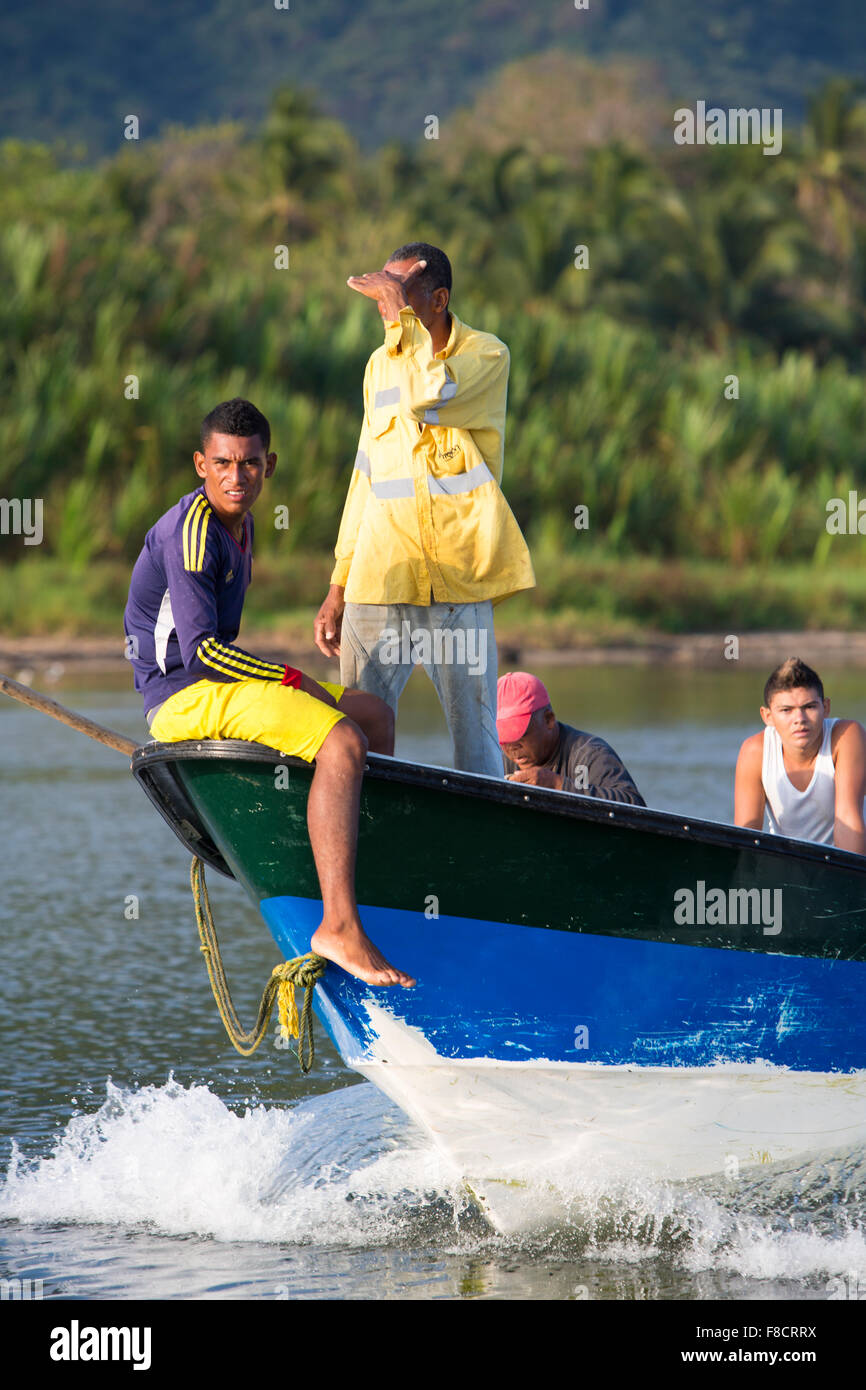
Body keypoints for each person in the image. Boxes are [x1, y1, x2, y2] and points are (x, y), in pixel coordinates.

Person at [123, 396, 415, 987]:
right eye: (224, 463)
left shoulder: (243, 524)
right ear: (200, 465)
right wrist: (293, 679)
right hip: (182, 696)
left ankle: (363, 887)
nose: (238, 477)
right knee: (343, 744)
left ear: (269, 465)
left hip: (214, 686)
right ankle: (337, 923)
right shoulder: (195, 531)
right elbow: (203, 650)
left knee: (374, 718)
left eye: (250, 464)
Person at [313, 241, 535, 777]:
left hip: (459, 583)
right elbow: (365, 474)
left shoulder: (486, 355)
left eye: (402, 294)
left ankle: (476, 852)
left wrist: (397, 322)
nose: (389, 307)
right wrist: (338, 583)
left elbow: (425, 395)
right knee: (358, 736)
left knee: (477, 745)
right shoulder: (377, 366)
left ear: (439, 299)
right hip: (379, 578)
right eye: (385, 294)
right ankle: (366, 846)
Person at [734, 657, 866, 852]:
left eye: (810, 707)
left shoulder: (847, 736)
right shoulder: (755, 751)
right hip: (785, 867)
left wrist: (850, 880)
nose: (800, 719)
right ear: (767, 716)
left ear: (826, 708)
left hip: (842, 864)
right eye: (786, 710)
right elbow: (746, 835)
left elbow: (847, 817)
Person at [496, 671, 646, 804]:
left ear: (549, 720)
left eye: (519, 733)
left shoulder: (589, 754)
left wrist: (558, 785)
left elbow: (635, 806)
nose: (511, 747)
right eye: (503, 736)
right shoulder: (497, 761)